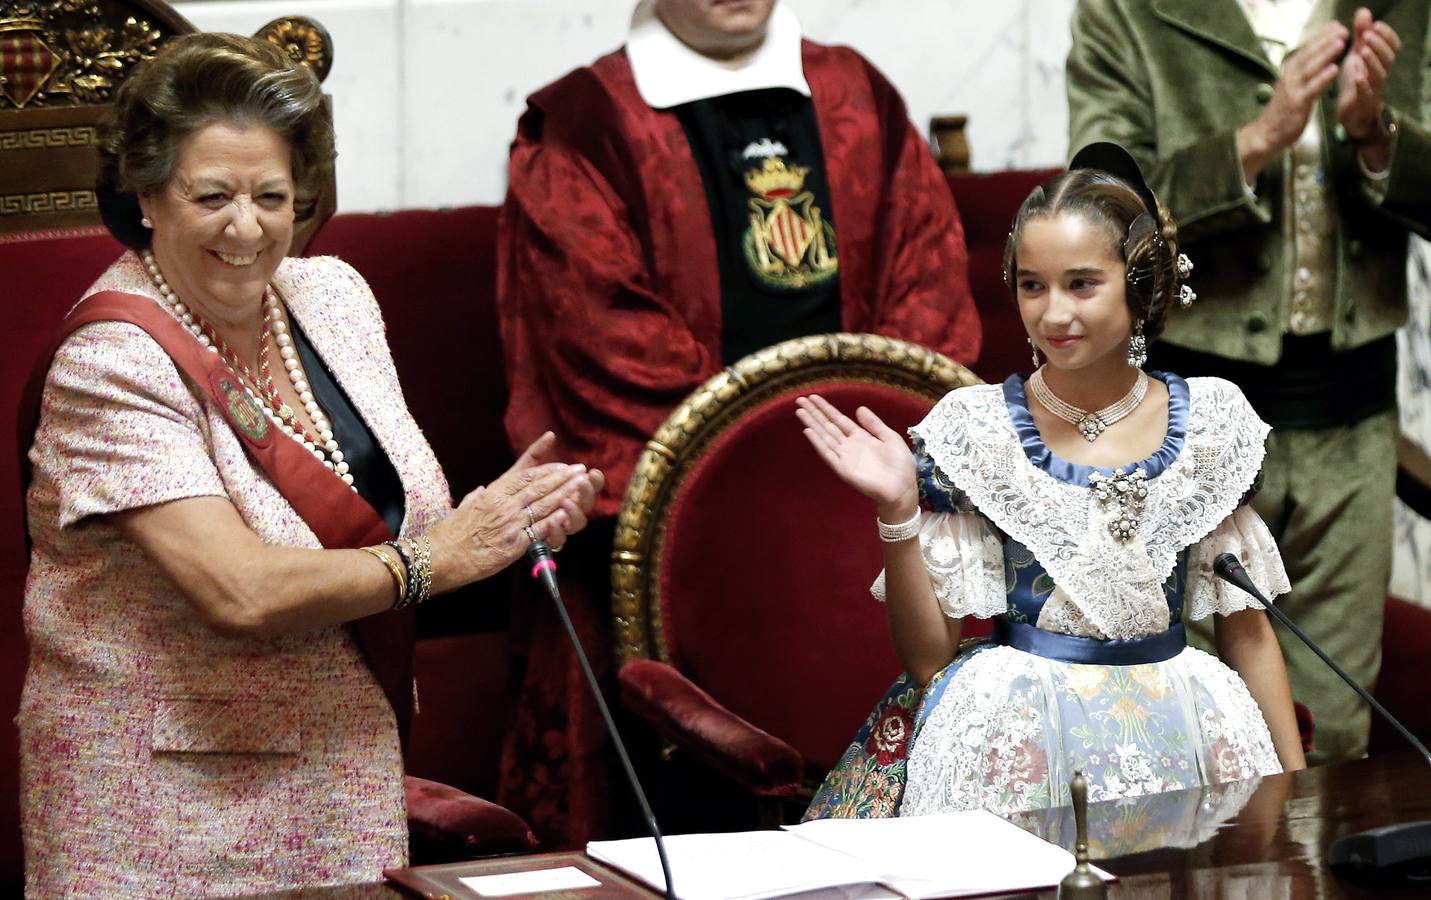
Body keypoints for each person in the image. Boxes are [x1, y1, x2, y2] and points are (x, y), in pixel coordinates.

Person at [18, 33, 602, 896]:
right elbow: (241, 591)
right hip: (160, 805)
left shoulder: (332, 298)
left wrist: (506, 524)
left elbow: (399, 528)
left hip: (343, 774)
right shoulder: (114, 361)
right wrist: (440, 559)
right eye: (211, 195)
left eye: (272, 195)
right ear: (145, 195)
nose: (246, 227)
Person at [496, 0, 981, 846]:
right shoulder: (578, 127)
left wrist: (866, 485)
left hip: (875, 545)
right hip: (669, 567)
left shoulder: (860, 97)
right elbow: (598, 345)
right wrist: (780, 485)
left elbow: (927, 311)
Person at [799, 145, 1306, 821]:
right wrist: (897, 512)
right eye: (1031, 285)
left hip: (1185, 728)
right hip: (1017, 739)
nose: (1051, 314)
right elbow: (928, 662)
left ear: (1140, 285)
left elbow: (1248, 635)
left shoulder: (1211, 423)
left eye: (1080, 284)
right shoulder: (975, 432)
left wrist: (1298, 793)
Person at [1067, 1, 1431, 765]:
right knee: (1183, 725)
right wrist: (1257, 140)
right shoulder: (1122, 11)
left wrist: (1375, 137)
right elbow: (1099, 212)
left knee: (1333, 733)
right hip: (1185, 431)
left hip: (1356, 424)